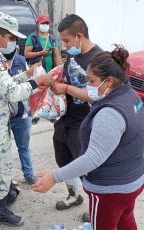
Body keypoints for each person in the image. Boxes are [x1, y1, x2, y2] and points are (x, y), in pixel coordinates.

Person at [33, 45, 144, 230]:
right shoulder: (128, 94)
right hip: (134, 179)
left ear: (108, 81)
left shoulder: (109, 113)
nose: (88, 85)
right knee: (126, 218)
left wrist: (55, 176)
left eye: (92, 81)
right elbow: (94, 97)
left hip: (111, 189)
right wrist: (67, 88)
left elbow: (93, 158)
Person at [0, 10, 53, 229]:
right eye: (11, 38)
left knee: (4, 171)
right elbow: (11, 92)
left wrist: (26, 75)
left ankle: (0, 210)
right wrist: (37, 82)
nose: (13, 42)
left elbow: (4, 84)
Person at [48, 14, 103, 214]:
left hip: (85, 124)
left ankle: (95, 208)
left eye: (67, 40)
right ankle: (74, 195)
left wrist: (67, 89)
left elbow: (98, 95)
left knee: (88, 170)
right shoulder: (73, 55)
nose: (65, 45)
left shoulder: (99, 59)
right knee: (64, 161)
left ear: (79, 36)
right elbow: (67, 78)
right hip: (65, 120)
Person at [6, 47, 37, 184]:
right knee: (3, 151)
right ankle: (7, 180)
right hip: (2, 117)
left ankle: (29, 174)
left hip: (21, 115)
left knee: (24, 147)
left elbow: (29, 85)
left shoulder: (21, 61)